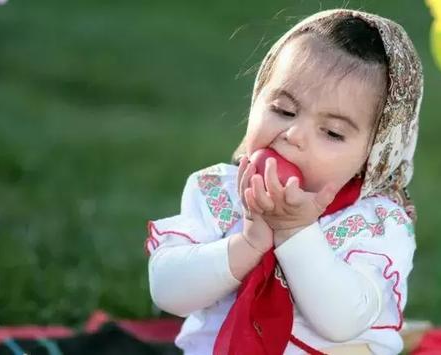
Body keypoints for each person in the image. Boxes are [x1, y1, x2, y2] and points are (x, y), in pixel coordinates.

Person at [146, 8, 423, 355]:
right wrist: (247, 245)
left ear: (375, 153)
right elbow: (168, 293)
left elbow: (343, 321)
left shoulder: (377, 223)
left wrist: (295, 231)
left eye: (332, 132)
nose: (293, 135)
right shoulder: (220, 193)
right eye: (283, 110)